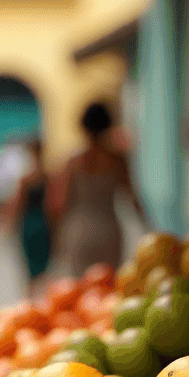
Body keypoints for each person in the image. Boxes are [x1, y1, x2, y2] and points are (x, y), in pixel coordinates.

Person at [48, 102, 149, 276]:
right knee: (107, 285)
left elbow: (59, 204)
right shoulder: (116, 160)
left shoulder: (73, 163)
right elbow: (132, 198)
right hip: (109, 231)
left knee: (79, 290)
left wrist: (56, 238)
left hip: (78, 230)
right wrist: (148, 226)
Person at [0, 138, 52, 296]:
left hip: (29, 224)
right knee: (43, 269)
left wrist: (6, 223)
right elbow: (55, 205)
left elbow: (16, 204)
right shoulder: (49, 176)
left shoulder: (26, 178)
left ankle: (30, 303)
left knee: (30, 270)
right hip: (44, 224)